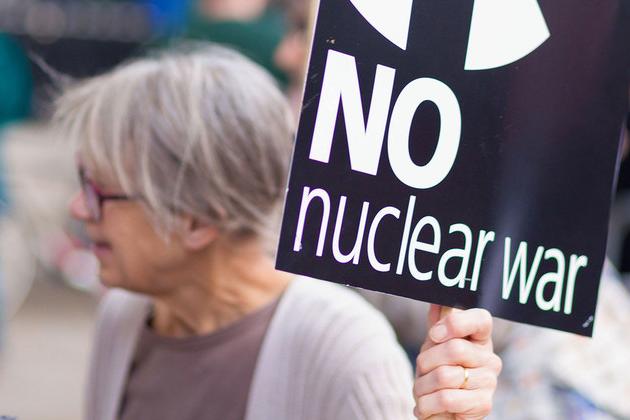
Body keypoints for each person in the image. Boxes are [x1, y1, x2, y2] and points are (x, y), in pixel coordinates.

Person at [54, 44, 500, 420]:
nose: (79, 208)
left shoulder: (345, 352)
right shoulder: (125, 316)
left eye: (100, 191)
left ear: (198, 219)